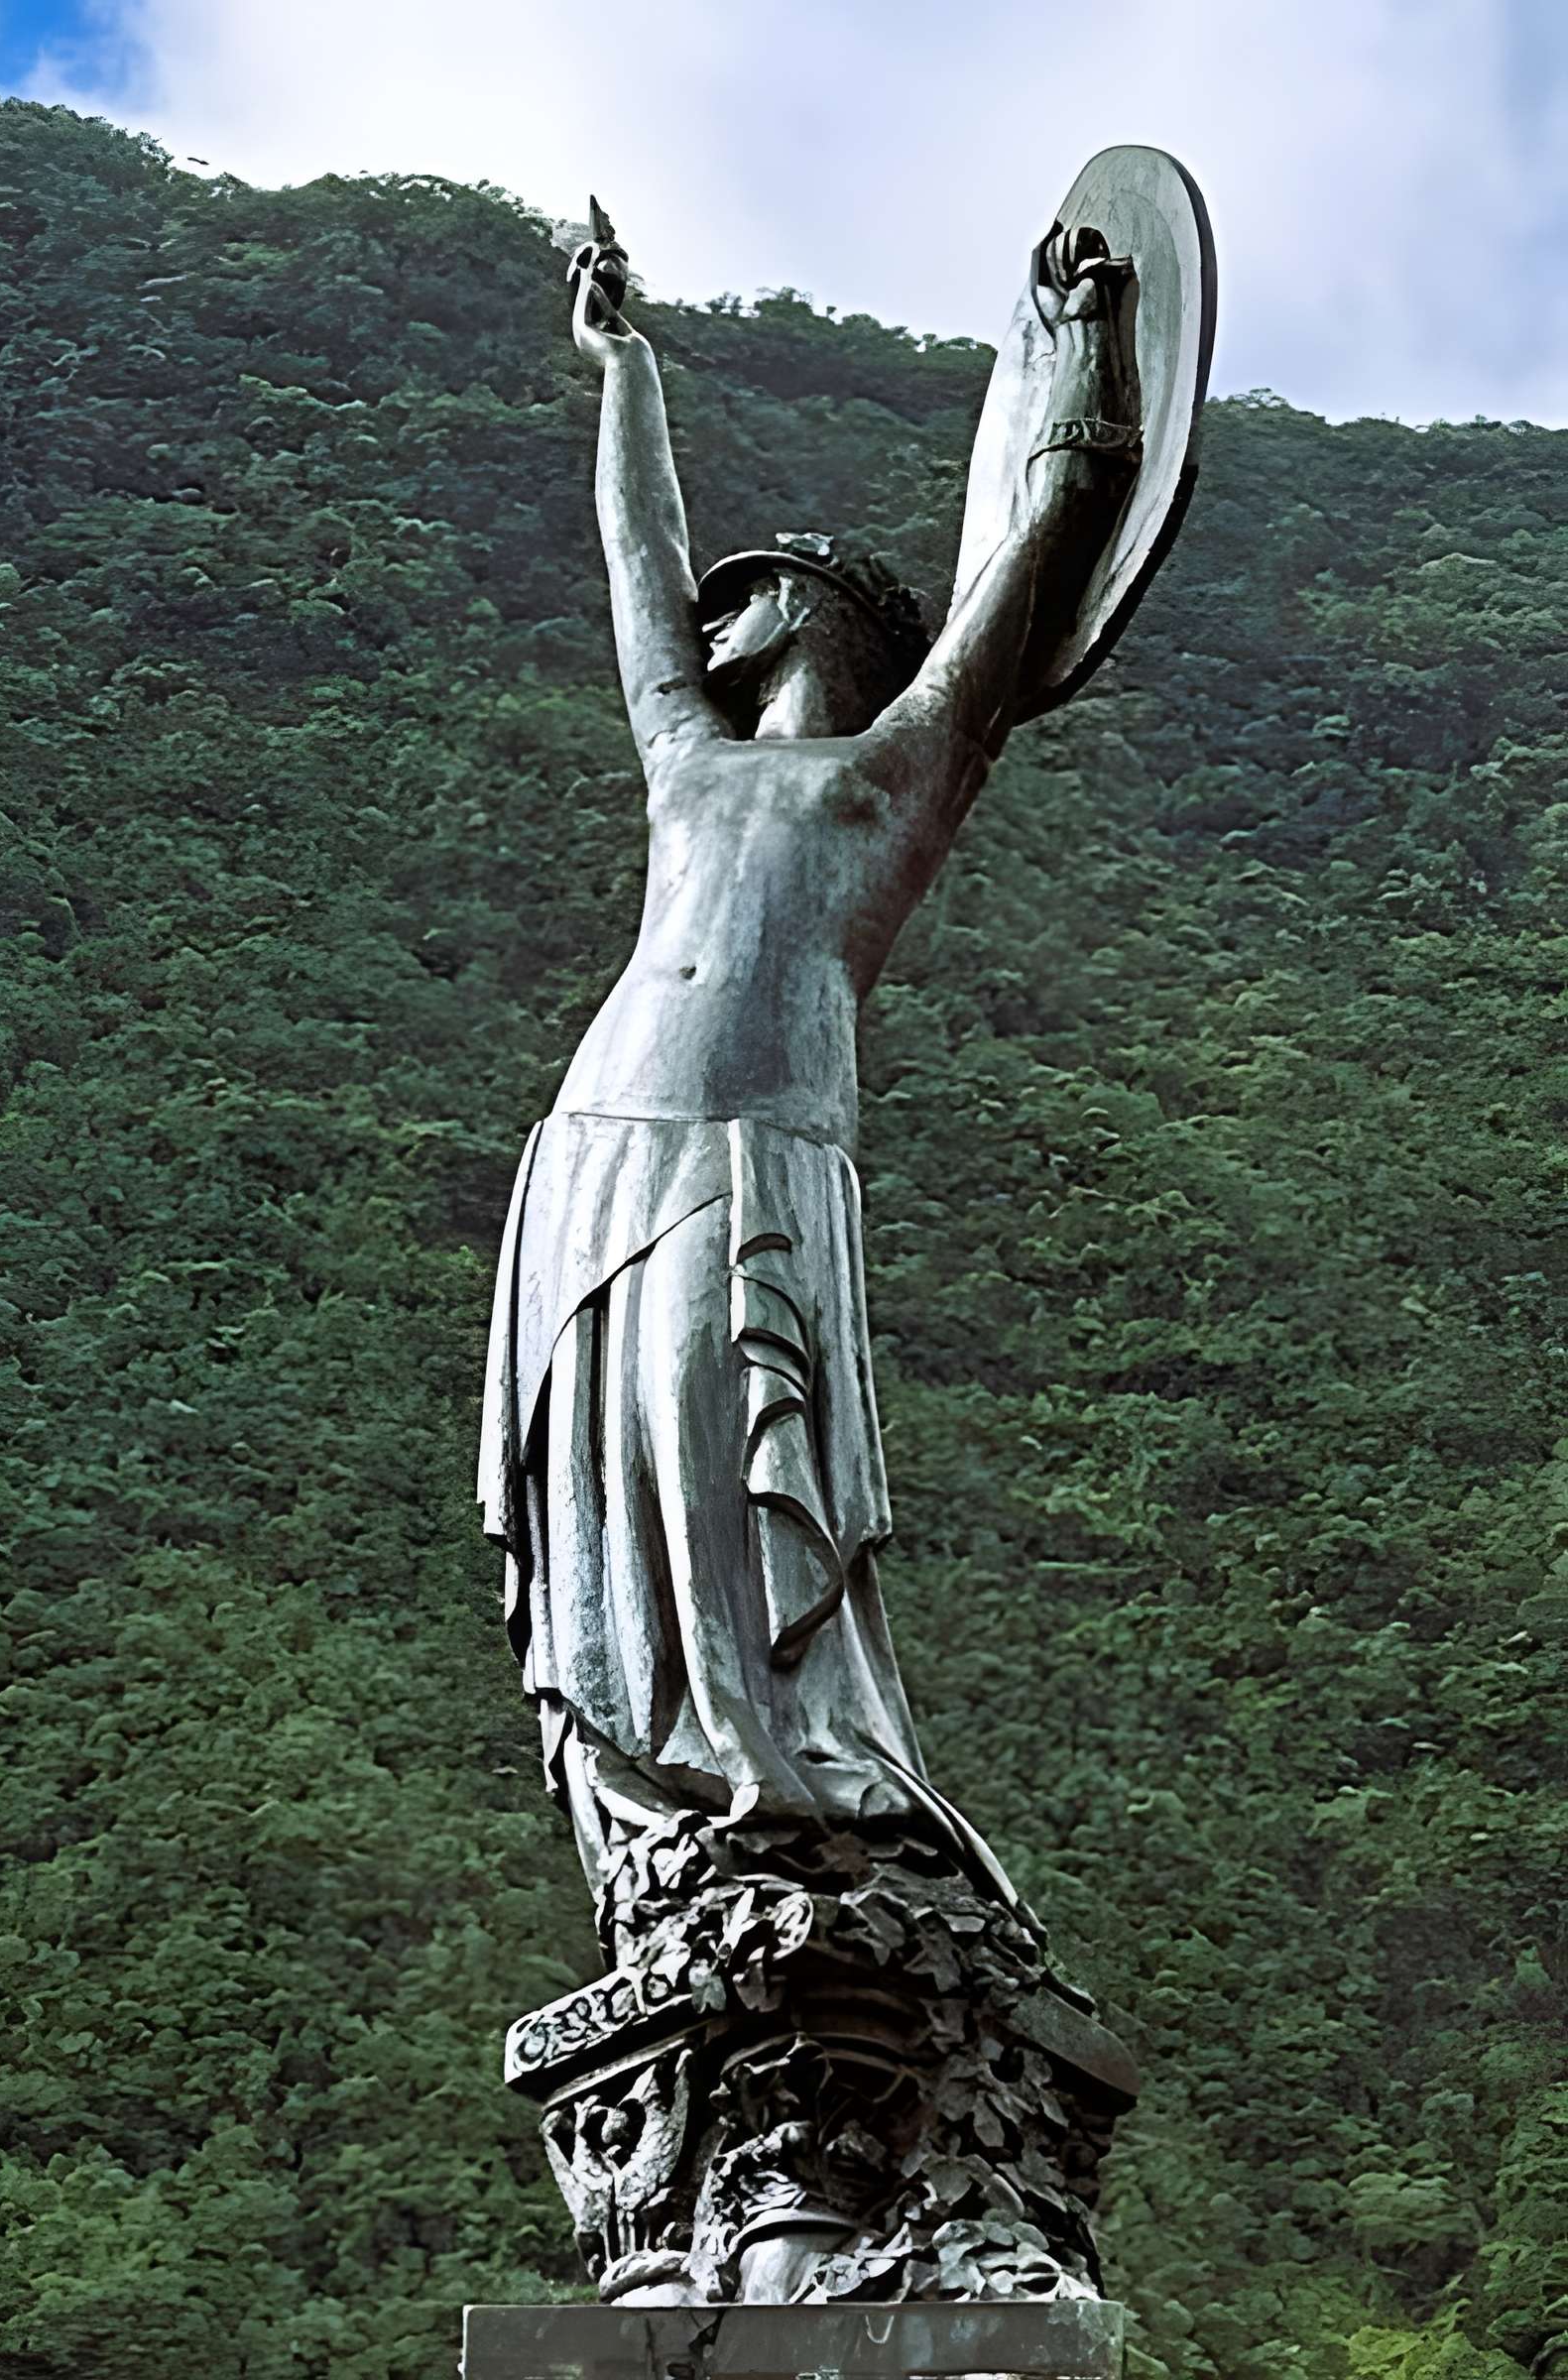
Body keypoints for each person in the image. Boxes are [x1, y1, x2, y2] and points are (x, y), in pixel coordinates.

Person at [478, 220, 1140, 1903]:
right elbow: (639, 561)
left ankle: (772, 1767)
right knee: (609, 1486)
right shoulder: (684, 757)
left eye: (745, 596)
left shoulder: (898, 768)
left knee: (724, 1438)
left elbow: (1037, 552)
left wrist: (1080, 358)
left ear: (816, 612)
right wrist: (623, 372)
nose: (708, 623)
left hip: (754, 1141)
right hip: (602, 1135)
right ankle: (664, 1787)